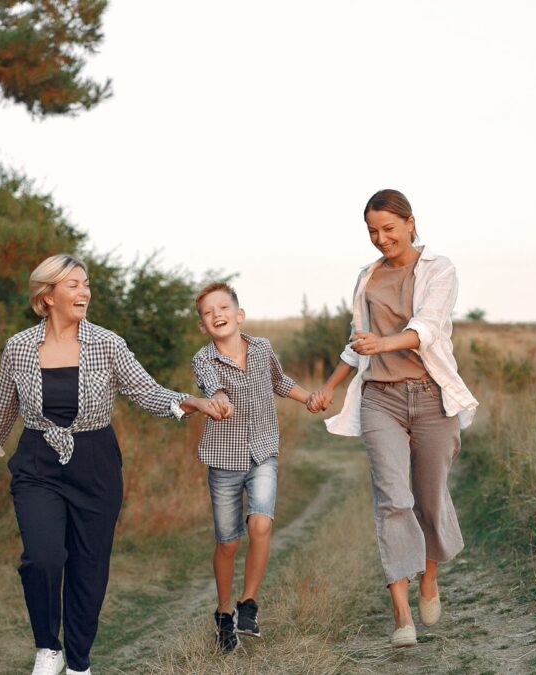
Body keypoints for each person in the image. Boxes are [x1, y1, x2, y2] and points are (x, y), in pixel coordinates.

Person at [0, 254, 229, 675]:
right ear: (47, 295)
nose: (84, 291)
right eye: (72, 284)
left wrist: (192, 401)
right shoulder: (19, 347)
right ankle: (47, 649)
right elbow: (3, 407)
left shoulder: (107, 344)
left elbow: (147, 392)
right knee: (43, 557)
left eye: (86, 284)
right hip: (37, 463)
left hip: (95, 463)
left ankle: (78, 663)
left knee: (89, 567)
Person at [310, 189, 479, 648]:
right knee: (392, 500)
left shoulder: (439, 270)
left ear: (410, 223)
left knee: (428, 499)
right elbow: (357, 340)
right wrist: (330, 385)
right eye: (372, 231)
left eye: (388, 228)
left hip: (431, 398)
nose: (381, 238)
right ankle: (401, 616)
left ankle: (429, 577)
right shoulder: (367, 277)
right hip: (380, 399)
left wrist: (381, 344)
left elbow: (427, 326)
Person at [189, 282, 319, 654]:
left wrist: (307, 397)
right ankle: (224, 612)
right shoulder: (204, 359)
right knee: (228, 542)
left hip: (263, 451)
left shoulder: (262, 349)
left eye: (223, 307)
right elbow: (212, 385)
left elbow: (280, 382)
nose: (217, 314)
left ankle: (248, 604)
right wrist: (217, 397)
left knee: (260, 523)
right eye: (208, 312)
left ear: (238, 314)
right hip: (224, 460)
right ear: (203, 326)